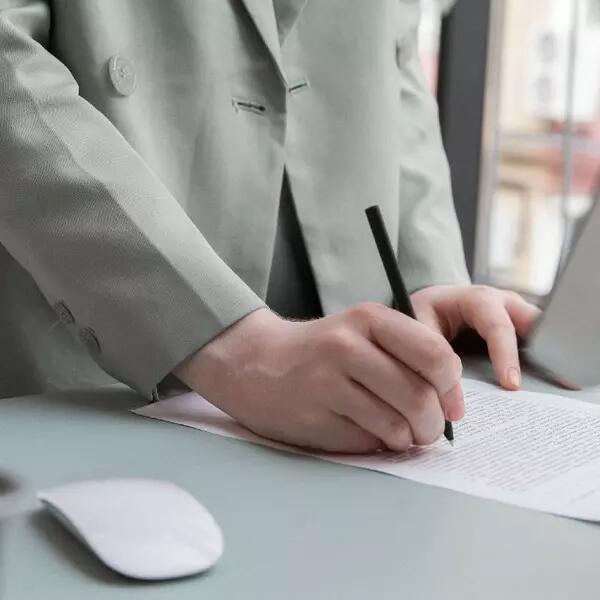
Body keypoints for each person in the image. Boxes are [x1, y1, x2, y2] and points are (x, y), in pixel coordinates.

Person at [0, 0, 539, 452]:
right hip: (93, 394)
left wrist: (425, 275)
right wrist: (240, 348)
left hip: (351, 410)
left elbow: (395, 49)